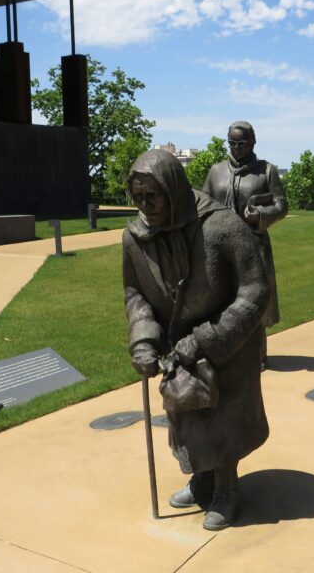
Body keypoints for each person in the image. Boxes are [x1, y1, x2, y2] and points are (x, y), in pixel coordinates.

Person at [122, 149, 270, 530]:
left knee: (224, 417)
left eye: (151, 196)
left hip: (228, 342)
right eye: (137, 197)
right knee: (187, 413)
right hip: (178, 343)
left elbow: (255, 290)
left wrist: (207, 339)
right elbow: (135, 293)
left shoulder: (222, 227)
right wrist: (143, 339)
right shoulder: (136, 236)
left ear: (172, 190)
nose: (144, 205)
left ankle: (226, 489)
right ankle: (203, 478)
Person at [202, 121, 287, 366]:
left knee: (254, 300)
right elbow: (203, 204)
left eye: (242, 143)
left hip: (253, 244)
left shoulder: (266, 170)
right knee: (221, 300)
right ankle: (225, 354)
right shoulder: (216, 171)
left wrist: (260, 216)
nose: (237, 148)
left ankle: (256, 354)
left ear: (252, 143)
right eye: (232, 143)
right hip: (220, 247)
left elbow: (281, 205)